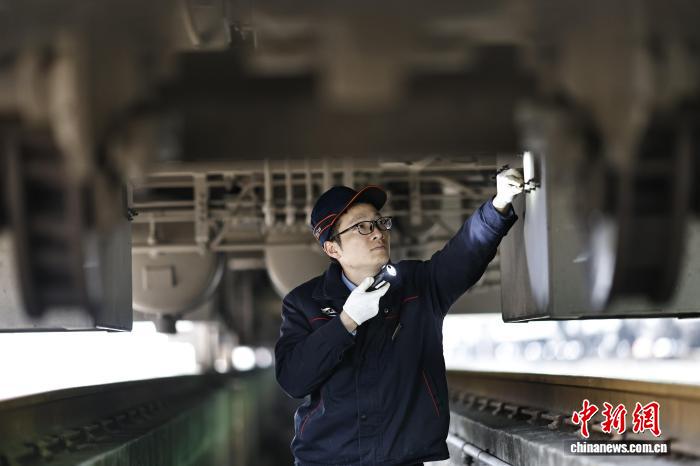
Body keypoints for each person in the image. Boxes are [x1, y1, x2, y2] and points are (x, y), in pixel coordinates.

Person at [275, 168, 524, 466]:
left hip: (402, 459)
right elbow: (293, 380)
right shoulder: (304, 303)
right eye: (362, 227)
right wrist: (345, 322)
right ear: (332, 248)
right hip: (327, 460)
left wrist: (498, 205)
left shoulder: (416, 286)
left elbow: (464, 253)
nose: (378, 232)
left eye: (380, 222)